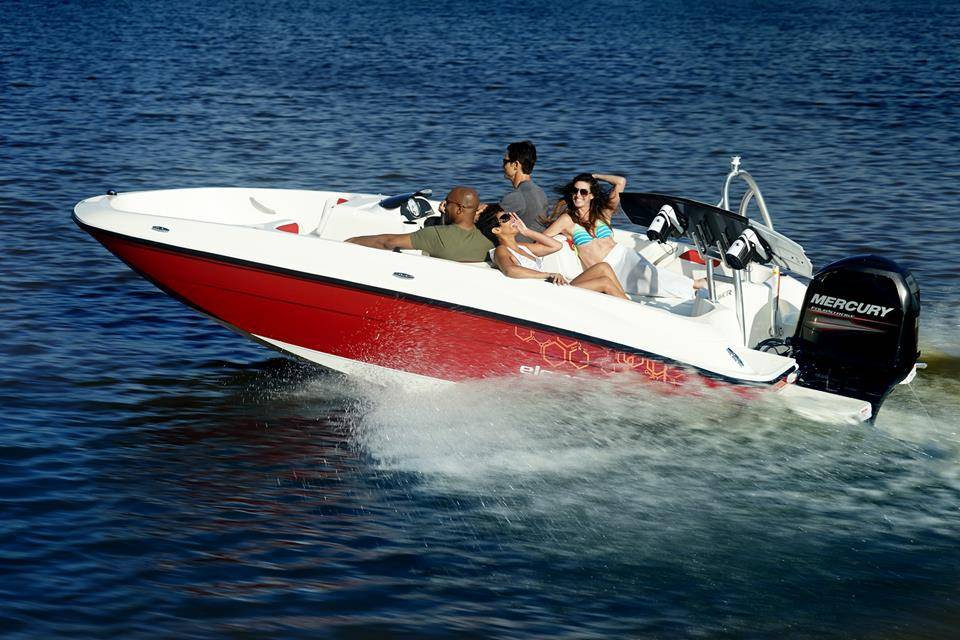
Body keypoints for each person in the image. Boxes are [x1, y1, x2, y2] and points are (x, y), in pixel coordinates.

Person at [540, 173, 705, 298]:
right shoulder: (567, 220)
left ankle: (695, 286)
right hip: (605, 268)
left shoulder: (603, 213)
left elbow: (620, 181)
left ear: (591, 195)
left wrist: (595, 176)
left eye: (583, 192)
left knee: (654, 275)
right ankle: (694, 288)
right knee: (652, 283)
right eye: (575, 191)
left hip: (623, 255)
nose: (578, 195)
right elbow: (543, 237)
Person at [478, 205, 628, 299]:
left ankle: (629, 306)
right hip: (547, 295)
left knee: (603, 267)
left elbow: (555, 246)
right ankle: (632, 313)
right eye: (506, 218)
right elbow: (510, 270)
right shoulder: (501, 250)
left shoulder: (523, 247)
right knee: (605, 283)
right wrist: (547, 275)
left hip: (554, 288)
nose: (512, 218)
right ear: (496, 230)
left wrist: (527, 231)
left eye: (510, 215)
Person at [346, 186, 494, 262]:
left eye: (448, 202)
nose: (444, 205)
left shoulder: (435, 235)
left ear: (460, 209)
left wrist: (350, 242)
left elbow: (387, 242)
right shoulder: (488, 241)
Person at [497, 140, 549, 234]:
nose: (502, 166)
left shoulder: (516, 196)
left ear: (515, 165)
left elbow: (489, 220)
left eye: (505, 161)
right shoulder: (541, 192)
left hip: (519, 242)